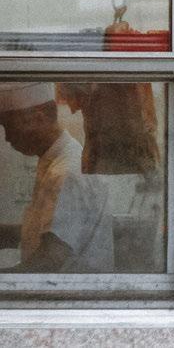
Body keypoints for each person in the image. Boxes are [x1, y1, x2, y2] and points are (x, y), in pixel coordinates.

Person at [0, 83, 114, 273]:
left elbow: (51, 259)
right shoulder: (57, 161)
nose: (7, 138)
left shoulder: (66, 172)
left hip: (74, 290)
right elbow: (47, 228)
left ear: (39, 118)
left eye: (9, 127)